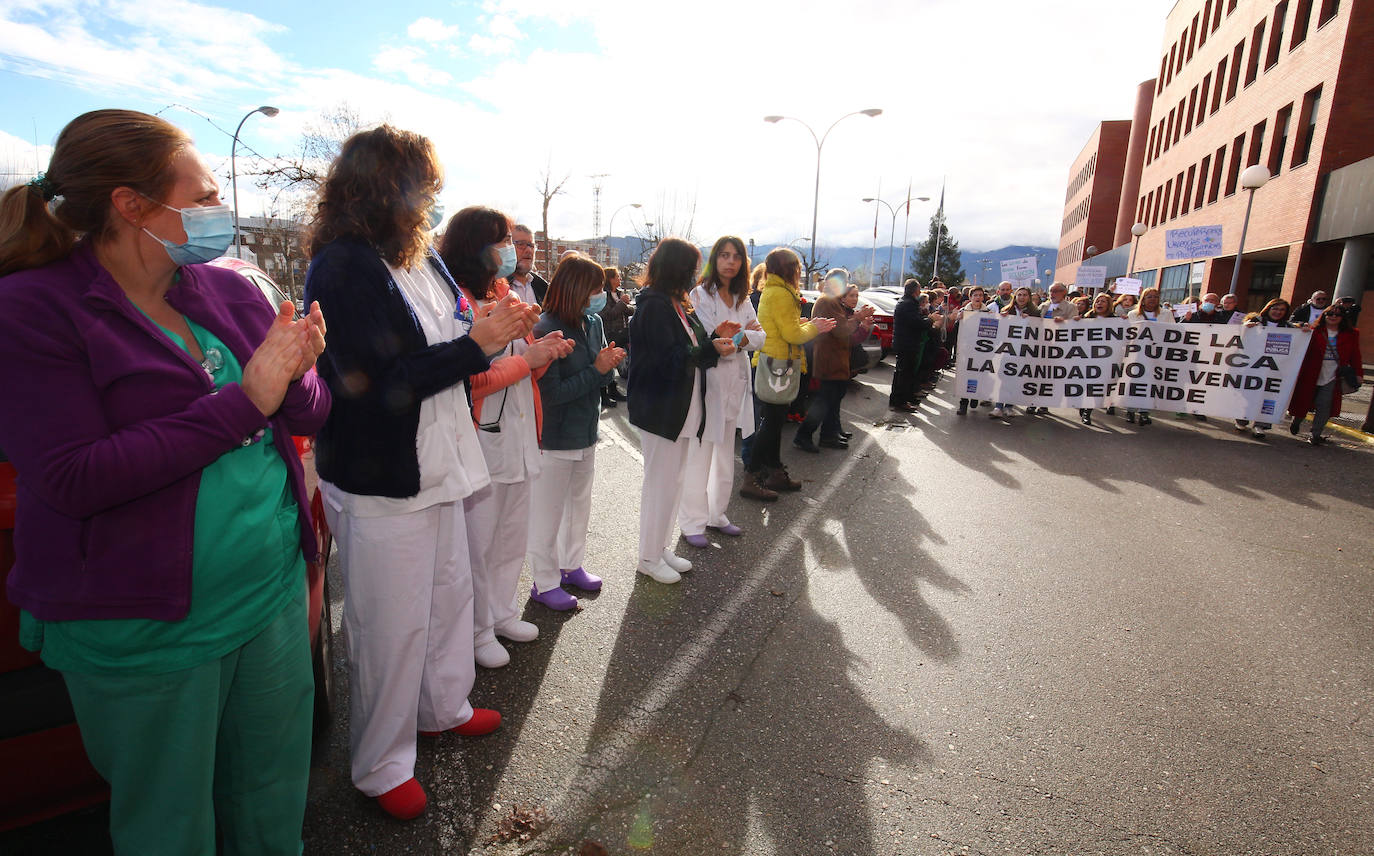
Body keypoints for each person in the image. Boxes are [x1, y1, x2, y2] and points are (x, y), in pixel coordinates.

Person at [0, 109, 330, 854]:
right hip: (146, 629)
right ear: (131, 204)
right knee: (169, 824)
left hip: (268, 594)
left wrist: (299, 368)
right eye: (204, 195)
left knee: (272, 794)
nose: (220, 207)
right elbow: (74, 476)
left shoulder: (226, 289)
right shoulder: (32, 309)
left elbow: (308, 411)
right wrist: (246, 399)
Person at [306, 126, 534, 821]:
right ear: (384, 189)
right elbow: (374, 383)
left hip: (441, 462)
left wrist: (487, 323)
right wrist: (478, 345)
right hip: (384, 475)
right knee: (389, 626)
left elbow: (451, 332)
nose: (431, 199)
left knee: (447, 595)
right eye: (423, 186)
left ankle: (442, 707)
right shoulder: (343, 266)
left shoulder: (420, 257)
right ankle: (381, 765)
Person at [437, 207, 574, 670]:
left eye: (512, 242)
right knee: (479, 544)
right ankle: (476, 632)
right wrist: (525, 360)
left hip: (519, 434)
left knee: (512, 536)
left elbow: (526, 367)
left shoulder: (506, 293)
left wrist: (545, 352)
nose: (511, 251)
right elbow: (469, 381)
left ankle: (502, 613)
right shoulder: (455, 301)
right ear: (474, 245)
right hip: (482, 442)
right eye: (502, 241)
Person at [628, 238, 737, 582]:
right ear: (677, 268)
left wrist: (713, 339)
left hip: (680, 409)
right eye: (692, 268)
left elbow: (691, 348)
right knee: (660, 485)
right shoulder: (654, 306)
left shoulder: (676, 304)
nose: (695, 275)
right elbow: (668, 359)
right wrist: (711, 349)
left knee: (673, 483)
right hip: (661, 410)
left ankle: (659, 548)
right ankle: (648, 557)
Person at [526, 254, 626, 606]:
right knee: (547, 515)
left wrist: (607, 366)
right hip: (555, 438)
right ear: (575, 289)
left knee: (579, 507)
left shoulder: (593, 321)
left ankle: (571, 566)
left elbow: (599, 376)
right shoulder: (546, 328)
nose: (600, 296)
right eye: (595, 289)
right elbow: (551, 394)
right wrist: (597, 370)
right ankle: (544, 582)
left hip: (586, 431)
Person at [681, 236, 769, 540]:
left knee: (724, 454)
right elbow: (709, 337)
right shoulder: (700, 295)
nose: (730, 262)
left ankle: (716, 514)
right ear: (714, 259)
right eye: (724, 255)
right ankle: (692, 522)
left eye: (736, 256)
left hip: (735, 383)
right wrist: (742, 337)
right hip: (710, 382)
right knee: (701, 454)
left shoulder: (742, 298)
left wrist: (737, 339)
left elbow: (760, 338)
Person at [744, 247, 835, 493]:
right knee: (772, 424)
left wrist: (805, 324)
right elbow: (792, 335)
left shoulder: (774, 290)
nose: (799, 272)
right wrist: (814, 327)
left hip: (774, 361)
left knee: (773, 423)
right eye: (797, 268)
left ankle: (774, 472)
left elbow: (784, 328)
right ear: (790, 269)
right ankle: (751, 476)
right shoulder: (782, 294)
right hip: (778, 365)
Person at [795, 272, 873, 451]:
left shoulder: (833, 301)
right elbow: (841, 330)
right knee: (824, 401)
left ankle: (829, 434)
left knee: (833, 399)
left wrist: (857, 319)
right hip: (829, 359)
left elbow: (843, 329)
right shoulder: (827, 301)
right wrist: (858, 318)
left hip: (835, 359)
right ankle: (803, 435)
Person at [1288, 304, 1363, 445]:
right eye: (1330, 314)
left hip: (1334, 375)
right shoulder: (1313, 331)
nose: (1333, 317)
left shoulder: (1352, 334)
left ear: (1343, 317)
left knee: (1325, 405)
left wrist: (1359, 373)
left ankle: (1315, 434)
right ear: (1324, 316)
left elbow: (1355, 355)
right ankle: (1296, 421)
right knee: (1304, 401)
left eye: (1338, 314)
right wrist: (1302, 330)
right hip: (1310, 372)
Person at [1233, 298, 1293, 438]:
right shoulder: (1255, 321)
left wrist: (1304, 330)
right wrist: (1245, 328)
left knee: (1269, 397)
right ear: (1268, 309)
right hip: (1252, 366)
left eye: (1282, 310)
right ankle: (1242, 419)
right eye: (1275, 309)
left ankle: (1260, 425)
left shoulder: (1289, 327)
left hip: (1274, 369)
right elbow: (1239, 337)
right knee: (1248, 394)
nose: (1278, 312)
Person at [1124, 287, 1174, 426]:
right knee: (1134, 382)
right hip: (1137, 353)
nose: (1153, 299)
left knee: (1151, 382)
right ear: (1143, 299)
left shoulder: (1166, 314)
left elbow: (1173, 331)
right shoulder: (1133, 314)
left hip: (1156, 354)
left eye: (1156, 296)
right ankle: (1130, 410)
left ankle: (1144, 412)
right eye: (1149, 296)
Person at [992, 286, 1039, 418]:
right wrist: (1001, 318)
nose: (1022, 297)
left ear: (1029, 297)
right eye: (1019, 295)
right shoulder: (1006, 310)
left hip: (1024, 353)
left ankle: (1009, 407)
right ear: (1015, 296)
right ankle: (998, 406)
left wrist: (1030, 321)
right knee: (1004, 379)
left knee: (1016, 380)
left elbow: (1039, 331)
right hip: (1007, 352)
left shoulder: (1035, 313)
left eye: (1025, 295)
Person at [1077, 292, 1118, 424]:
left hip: (1104, 358)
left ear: (1109, 305)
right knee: (1084, 384)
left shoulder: (1115, 320)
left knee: (1095, 385)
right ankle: (1083, 406)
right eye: (1098, 301)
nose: (1099, 303)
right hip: (1086, 356)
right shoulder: (1087, 317)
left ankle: (1087, 412)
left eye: (1103, 301)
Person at [955, 285, 995, 416]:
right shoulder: (963, 311)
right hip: (967, 351)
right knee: (966, 376)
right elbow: (956, 330)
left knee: (979, 376)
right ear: (970, 297)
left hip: (982, 351)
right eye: (975, 295)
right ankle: (963, 403)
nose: (978, 297)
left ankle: (975, 396)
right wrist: (958, 319)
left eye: (980, 295)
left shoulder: (988, 312)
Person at [598, 265, 633, 406]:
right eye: (617, 276)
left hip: (622, 332)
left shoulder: (618, 293)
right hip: (609, 333)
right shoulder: (604, 295)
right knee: (607, 363)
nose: (619, 279)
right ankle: (603, 394)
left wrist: (625, 304)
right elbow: (608, 314)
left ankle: (613, 390)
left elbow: (629, 311)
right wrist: (622, 303)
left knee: (615, 362)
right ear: (610, 279)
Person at [510, 224, 550, 305]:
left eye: (531, 245)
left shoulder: (544, 288)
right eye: (521, 244)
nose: (529, 250)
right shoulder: (494, 288)